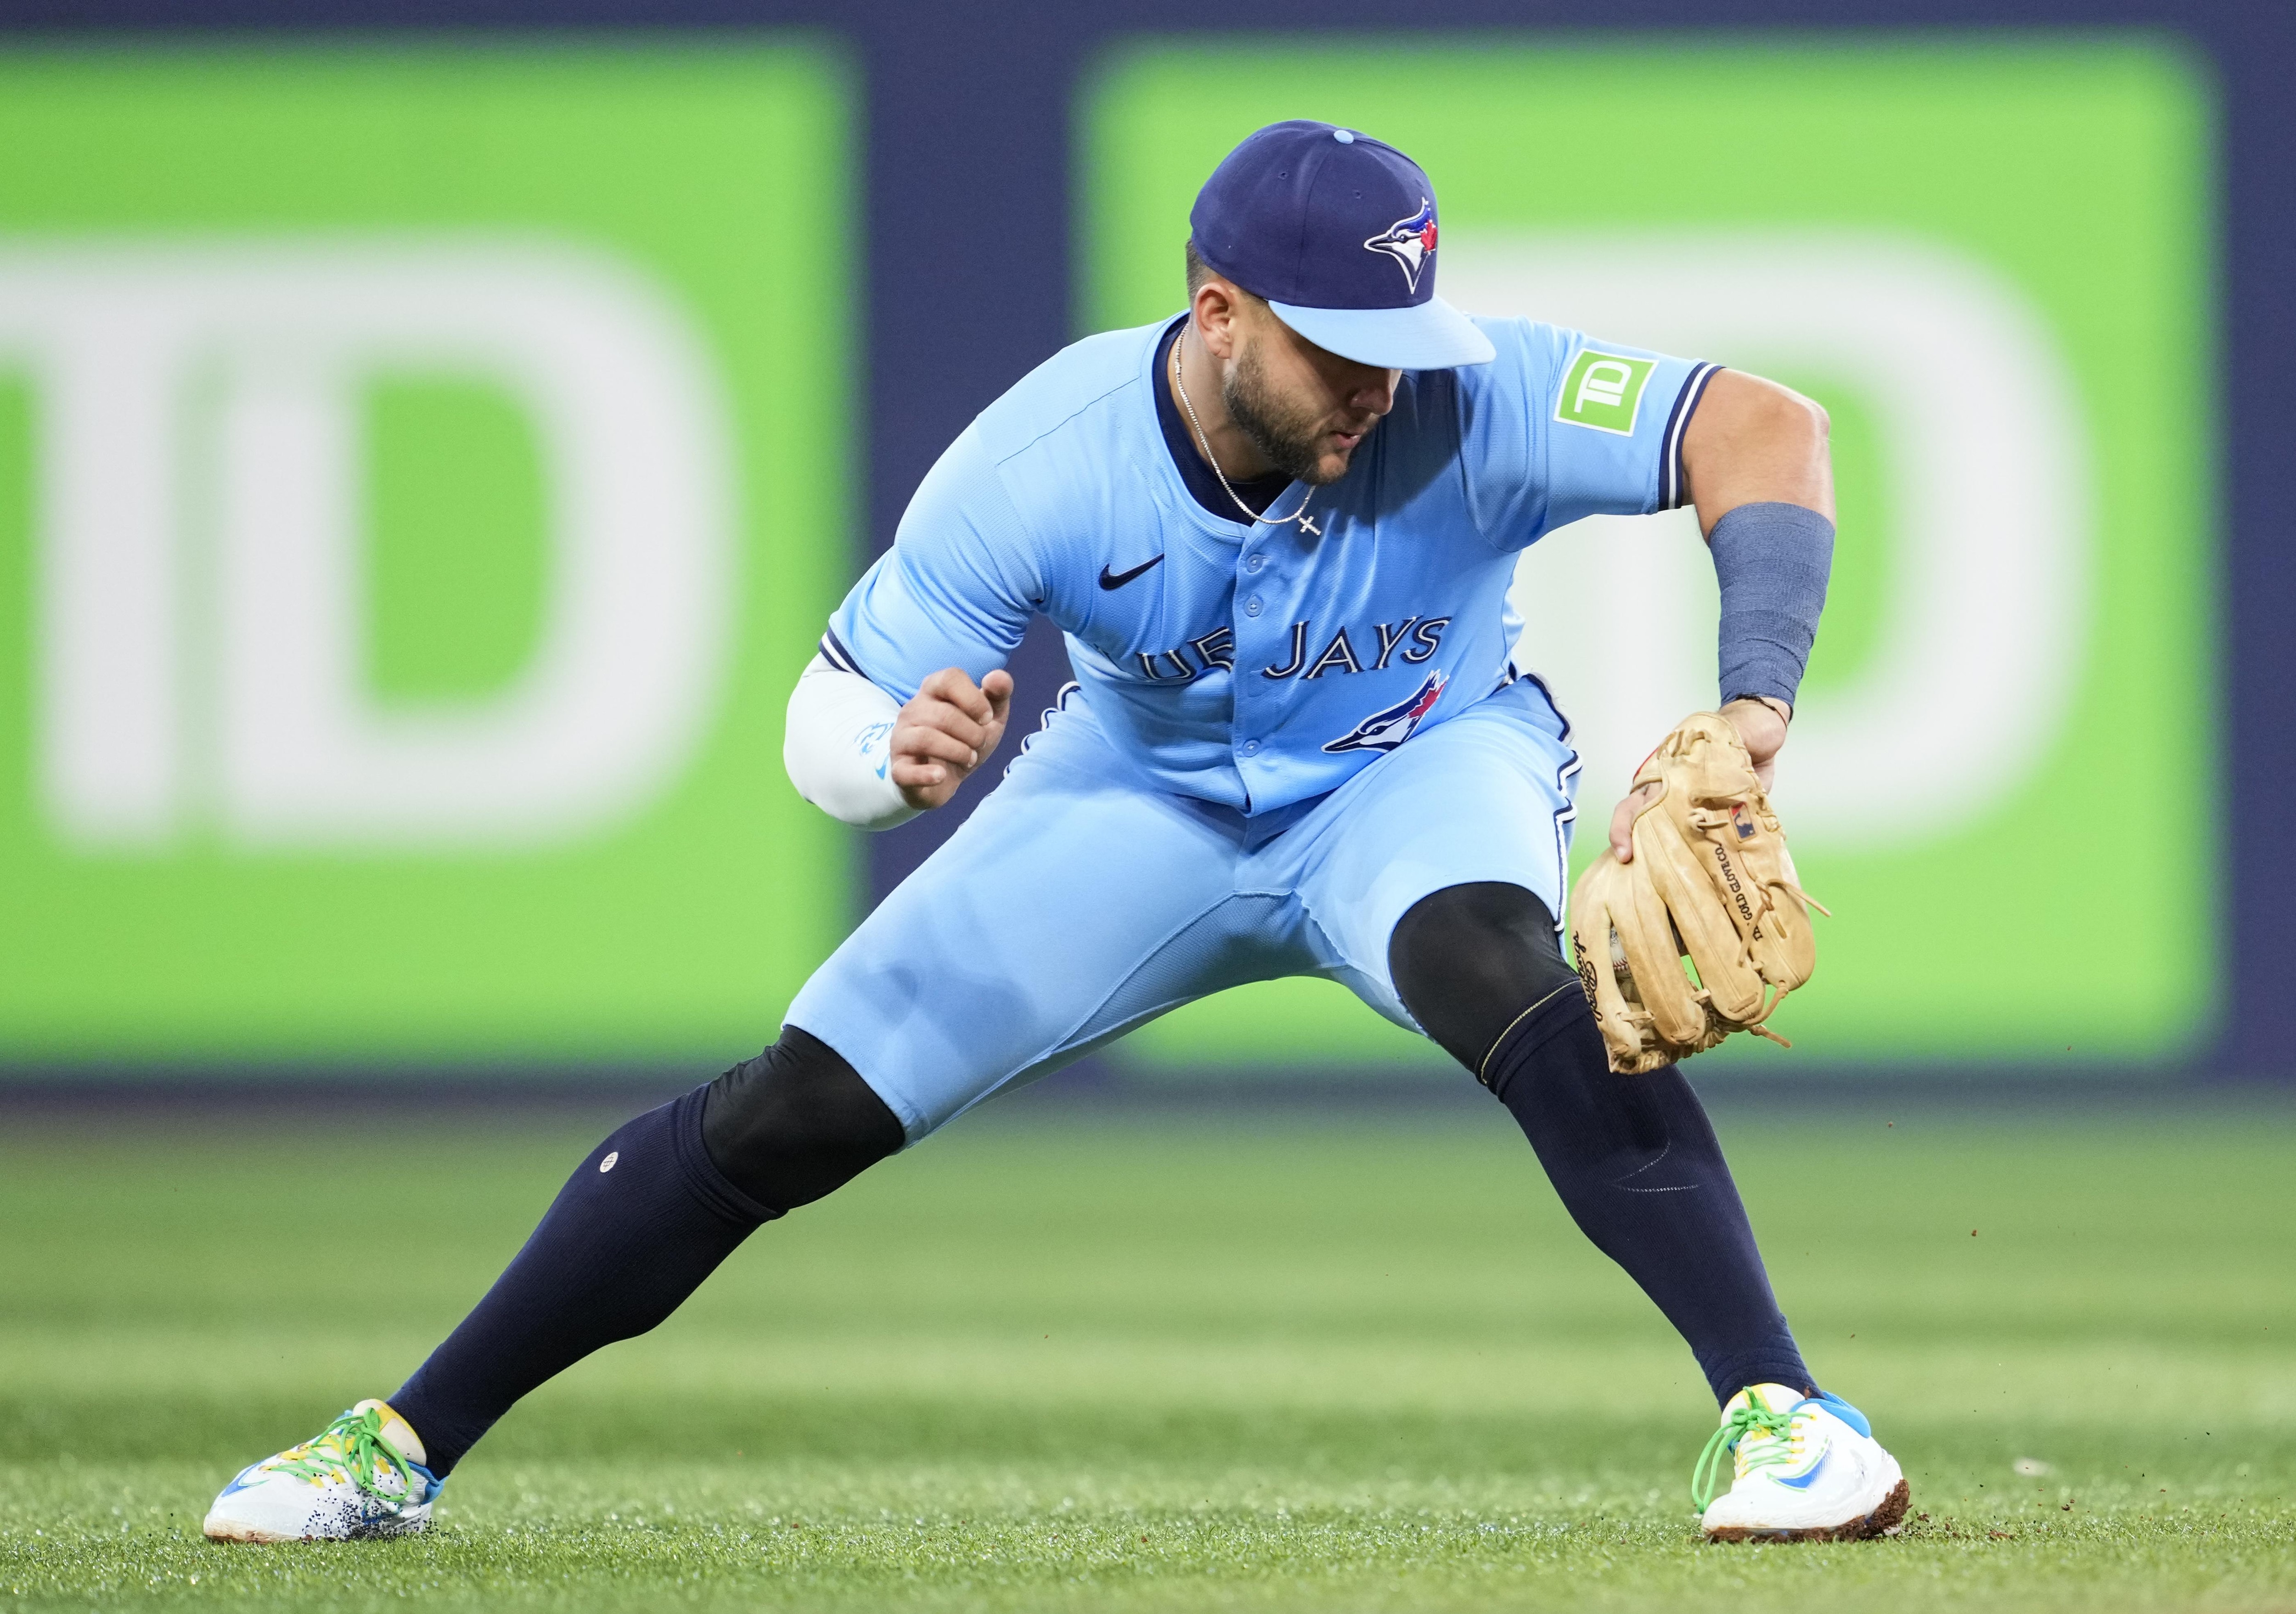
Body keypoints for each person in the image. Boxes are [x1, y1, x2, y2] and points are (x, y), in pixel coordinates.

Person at [204, 120, 1905, 1546]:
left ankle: (1786, 1414)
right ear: (1217, 308)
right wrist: (892, 750)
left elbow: (1769, 427)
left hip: (1417, 766)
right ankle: (398, 1447)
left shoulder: (1473, 393)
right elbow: (826, 716)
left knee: (1502, 966)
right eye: (1337, 345)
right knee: (794, 1105)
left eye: (1401, 340)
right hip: (1141, 797)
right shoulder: (1047, 456)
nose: (1381, 387)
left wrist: (1754, 705)